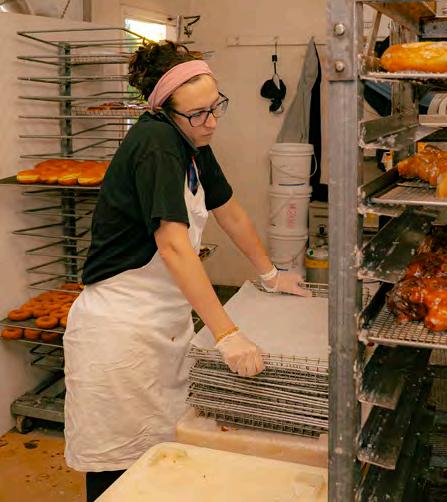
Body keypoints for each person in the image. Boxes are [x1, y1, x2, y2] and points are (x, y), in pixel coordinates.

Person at [63, 40, 308, 501]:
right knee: (118, 469)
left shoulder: (192, 141)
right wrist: (227, 334)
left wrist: (271, 273)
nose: (211, 121)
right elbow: (174, 246)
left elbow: (229, 211)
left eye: (216, 106)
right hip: (120, 331)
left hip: (163, 324)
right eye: (198, 114)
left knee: (162, 461)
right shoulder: (155, 143)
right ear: (165, 110)